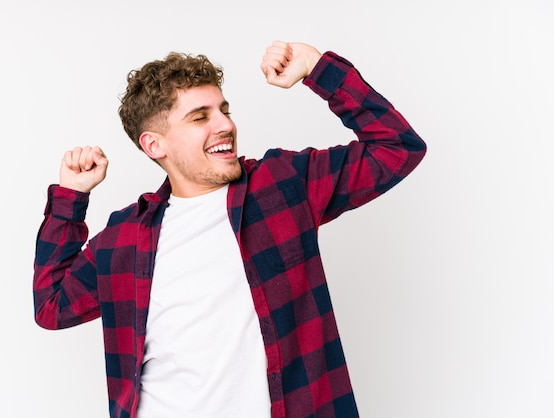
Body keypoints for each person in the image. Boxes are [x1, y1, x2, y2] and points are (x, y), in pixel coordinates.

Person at [33, 40, 427, 418]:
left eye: (225, 109)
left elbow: (397, 148)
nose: (225, 124)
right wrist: (71, 197)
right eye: (200, 116)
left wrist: (316, 66)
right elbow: (52, 308)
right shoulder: (125, 238)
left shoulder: (283, 185)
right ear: (154, 145)